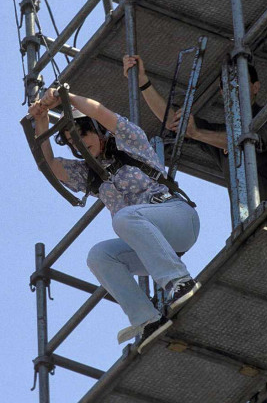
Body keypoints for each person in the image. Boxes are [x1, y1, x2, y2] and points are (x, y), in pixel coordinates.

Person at [28, 87, 201, 350]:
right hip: (151, 242)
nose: (78, 142)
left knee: (123, 218)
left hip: (177, 219)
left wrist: (66, 98)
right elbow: (49, 165)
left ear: (96, 129)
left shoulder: (130, 142)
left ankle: (180, 282)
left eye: (81, 133)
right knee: (99, 255)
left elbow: (100, 112)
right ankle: (147, 321)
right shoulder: (89, 172)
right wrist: (41, 119)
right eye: (72, 141)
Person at [123, 55, 267, 203]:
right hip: (251, 215)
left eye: (239, 81)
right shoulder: (216, 134)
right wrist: (142, 82)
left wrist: (196, 133)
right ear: (221, 92)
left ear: (255, 87)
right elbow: (172, 121)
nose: (233, 88)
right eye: (226, 85)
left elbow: (246, 140)